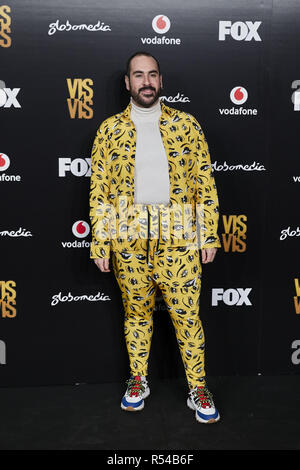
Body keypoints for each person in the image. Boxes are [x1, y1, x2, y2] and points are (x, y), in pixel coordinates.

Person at [89, 51, 221, 424]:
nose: (146, 81)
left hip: (178, 229)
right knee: (136, 314)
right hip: (128, 232)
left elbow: (204, 184)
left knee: (187, 316)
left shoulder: (187, 125)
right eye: (138, 75)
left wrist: (207, 234)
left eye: (152, 75)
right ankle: (138, 380)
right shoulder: (109, 130)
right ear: (127, 83)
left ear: (160, 81)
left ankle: (198, 387)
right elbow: (99, 189)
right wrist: (101, 240)